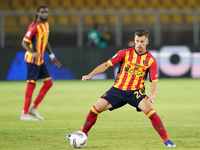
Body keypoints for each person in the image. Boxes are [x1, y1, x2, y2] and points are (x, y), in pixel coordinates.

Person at [67, 29, 176, 147]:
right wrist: (90, 75)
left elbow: (154, 81)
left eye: (142, 41)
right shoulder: (125, 53)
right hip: (117, 90)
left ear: (147, 42)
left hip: (136, 92)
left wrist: (153, 94)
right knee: (95, 109)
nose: (139, 44)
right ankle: (83, 134)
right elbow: (106, 65)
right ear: (134, 40)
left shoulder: (150, 60)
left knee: (151, 112)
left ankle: (166, 140)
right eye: (137, 41)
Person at [20, 5, 62, 121]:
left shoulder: (46, 25)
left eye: (46, 12)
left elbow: (45, 41)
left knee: (48, 83)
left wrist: (52, 56)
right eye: (43, 12)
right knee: (31, 85)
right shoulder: (34, 26)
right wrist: (32, 52)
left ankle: (33, 108)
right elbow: (24, 43)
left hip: (40, 60)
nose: (45, 14)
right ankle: (24, 113)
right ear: (38, 14)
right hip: (32, 60)